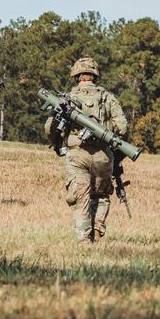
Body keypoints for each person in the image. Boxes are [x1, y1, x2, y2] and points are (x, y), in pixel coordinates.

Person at [45, 58, 128, 244]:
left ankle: (83, 238)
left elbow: (49, 127)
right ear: (95, 75)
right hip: (103, 155)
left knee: (80, 196)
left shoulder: (66, 99)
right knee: (101, 195)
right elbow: (122, 128)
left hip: (77, 154)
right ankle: (98, 226)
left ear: (76, 75)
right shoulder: (108, 98)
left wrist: (57, 143)